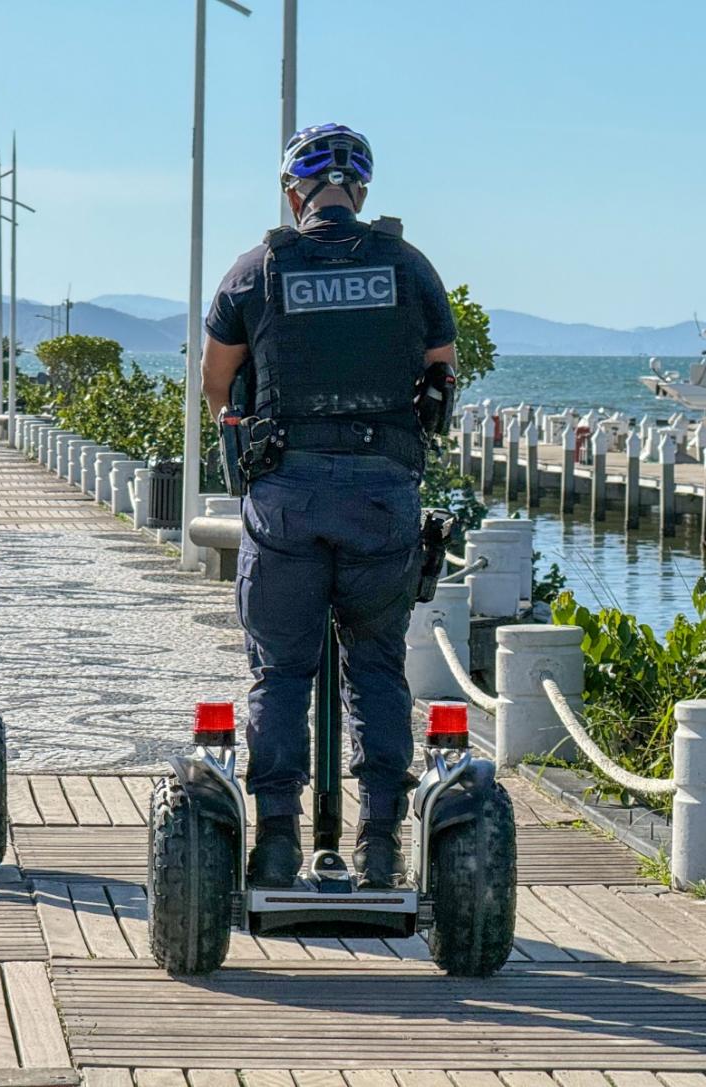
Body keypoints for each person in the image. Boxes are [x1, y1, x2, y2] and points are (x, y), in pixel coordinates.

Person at [200, 124, 458, 889]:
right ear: (361, 192)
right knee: (377, 666)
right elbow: (440, 380)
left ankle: (276, 842)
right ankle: (380, 844)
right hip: (382, 497)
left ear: (293, 193)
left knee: (280, 671)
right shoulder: (409, 268)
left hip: (287, 499)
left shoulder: (258, 270)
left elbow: (219, 389)